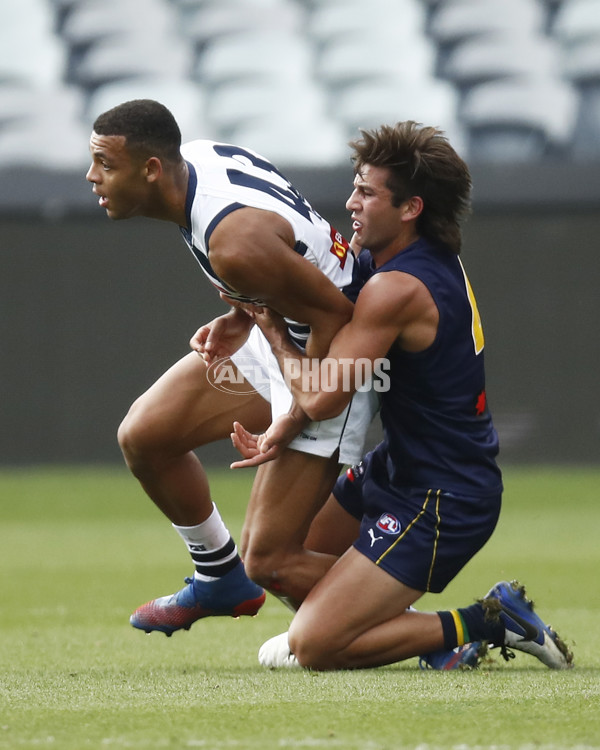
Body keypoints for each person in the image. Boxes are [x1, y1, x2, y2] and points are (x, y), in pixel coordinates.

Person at [232, 121, 573, 671]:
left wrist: (268, 326)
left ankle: (485, 621)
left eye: (367, 192)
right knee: (274, 559)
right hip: (397, 466)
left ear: (411, 207)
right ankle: (421, 636)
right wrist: (239, 319)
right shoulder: (397, 259)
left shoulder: (398, 287)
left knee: (314, 645)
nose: (351, 203)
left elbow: (322, 400)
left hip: (444, 495)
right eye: (355, 187)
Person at [85, 99, 378, 633]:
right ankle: (219, 577)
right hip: (282, 328)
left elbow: (336, 313)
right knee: (145, 435)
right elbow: (289, 244)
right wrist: (240, 313)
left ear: (151, 169)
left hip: (332, 353)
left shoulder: (231, 242)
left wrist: (297, 411)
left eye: (105, 163)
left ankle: (442, 628)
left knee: (273, 562)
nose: (92, 176)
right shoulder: (194, 162)